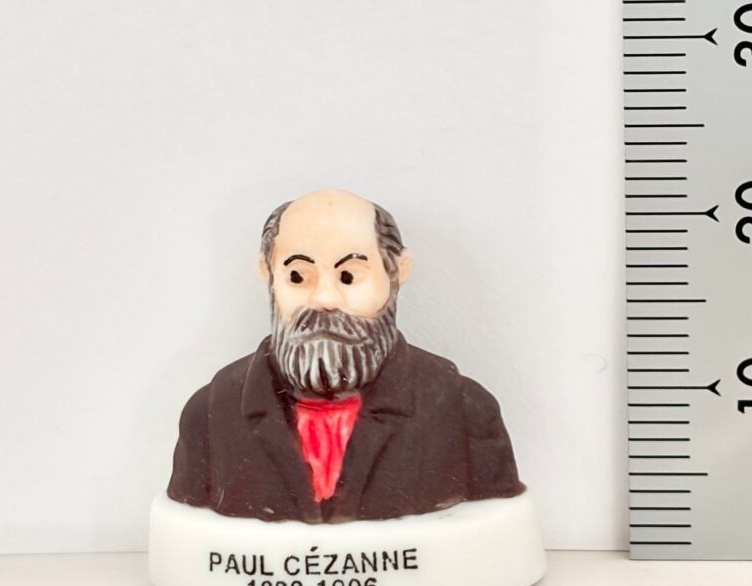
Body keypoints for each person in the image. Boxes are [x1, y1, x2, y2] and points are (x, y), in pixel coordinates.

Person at [166, 188, 525, 523]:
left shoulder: (464, 412)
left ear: (396, 272)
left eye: (349, 276)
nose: (325, 299)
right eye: (298, 276)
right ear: (268, 274)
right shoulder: (209, 416)